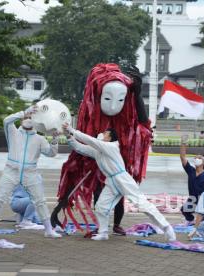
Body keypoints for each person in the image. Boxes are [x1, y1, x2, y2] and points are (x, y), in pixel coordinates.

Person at [52, 63, 152, 236]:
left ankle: (116, 224)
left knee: (119, 194)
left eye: (120, 99)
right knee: (99, 191)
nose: (113, 106)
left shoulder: (127, 116)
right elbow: (84, 139)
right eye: (107, 98)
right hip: (98, 159)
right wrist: (71, 137)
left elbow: (143, 123)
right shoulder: (91, 112)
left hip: (120, 160)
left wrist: (137, 93)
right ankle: (102, 224)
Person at [63, 123, 176, 241]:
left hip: (123, 179)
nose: (102, 134)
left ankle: (167, 228)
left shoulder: (111, 146)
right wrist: (68, 135)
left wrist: (72, 130)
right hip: (111, 181)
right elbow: (79, 148)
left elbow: (90, 140)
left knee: (142, 204)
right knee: (101, 206)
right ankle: (103, 232)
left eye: (105, 133)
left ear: (110, 137)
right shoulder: (98, 151)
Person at [0, 106, 61, 238]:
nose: (28, 119)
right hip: (11, 171)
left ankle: (49, 230)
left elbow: (51, 153)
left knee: (40, 200)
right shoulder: (13, 132)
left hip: (31, 173)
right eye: (26, 117)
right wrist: (23, 112)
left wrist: (55, 139)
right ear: (22, 119)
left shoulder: (39, 139)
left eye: (30, 118)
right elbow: (6, 121)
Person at [179, 134, 204, 226]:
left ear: (203, 161)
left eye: (199, 158)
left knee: (203, 223)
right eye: (195, 157)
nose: (196, 159)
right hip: (192, 200)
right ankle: (190, 220)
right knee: (184, 209)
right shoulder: (191, 171)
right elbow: (182, 157)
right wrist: (183, 143)